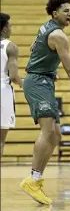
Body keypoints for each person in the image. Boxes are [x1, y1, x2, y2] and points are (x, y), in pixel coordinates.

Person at [20, 0, 70, 205]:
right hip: (38, 82)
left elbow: (33, 49)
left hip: (43, 81)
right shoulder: (59, 36)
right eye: (66, 10)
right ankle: (33, 178)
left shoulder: (47, 27)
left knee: (56, 135)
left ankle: (36, 180)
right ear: (55, 14)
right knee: (47, 132)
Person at [0, 13, 23, 155]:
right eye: (10, 26)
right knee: (1, 139)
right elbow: (14, 76)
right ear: (4, 29)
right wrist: (24, 83)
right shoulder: (10, 47)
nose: (11, 29)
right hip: (3, 92)